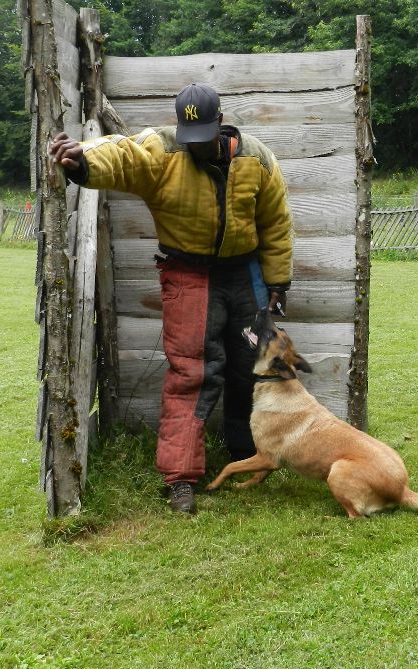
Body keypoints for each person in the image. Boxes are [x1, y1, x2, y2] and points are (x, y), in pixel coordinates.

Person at [49, 83, 293, 514]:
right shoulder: (161, 147)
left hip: (245, 274)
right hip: (188, 274)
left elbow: (275, 223)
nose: (195, 147)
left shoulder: (257, 158)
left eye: (203, 138)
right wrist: (81, 159)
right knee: (191, 375)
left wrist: (278, 284)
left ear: (220, 124)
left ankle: (247, 456)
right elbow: (121, 153)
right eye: (189, 137)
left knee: (252, 368)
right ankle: (180, 478)